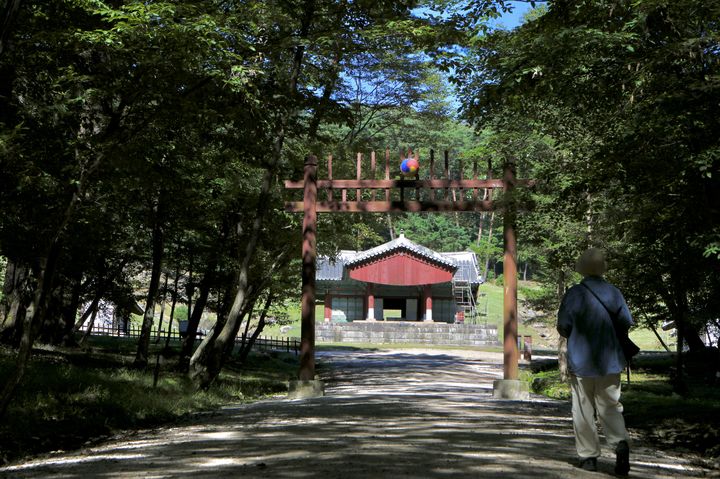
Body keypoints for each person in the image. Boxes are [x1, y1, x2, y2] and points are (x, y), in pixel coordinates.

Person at [557, 248, 633, 475]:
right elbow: (626, 321)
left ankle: (589, 457)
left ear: (582, 269)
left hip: (581, 361)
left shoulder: (574, 294)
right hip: (610, 360)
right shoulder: (614, 293)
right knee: (610, 406)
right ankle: (620, 443)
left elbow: (564, 326)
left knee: (583, 409)